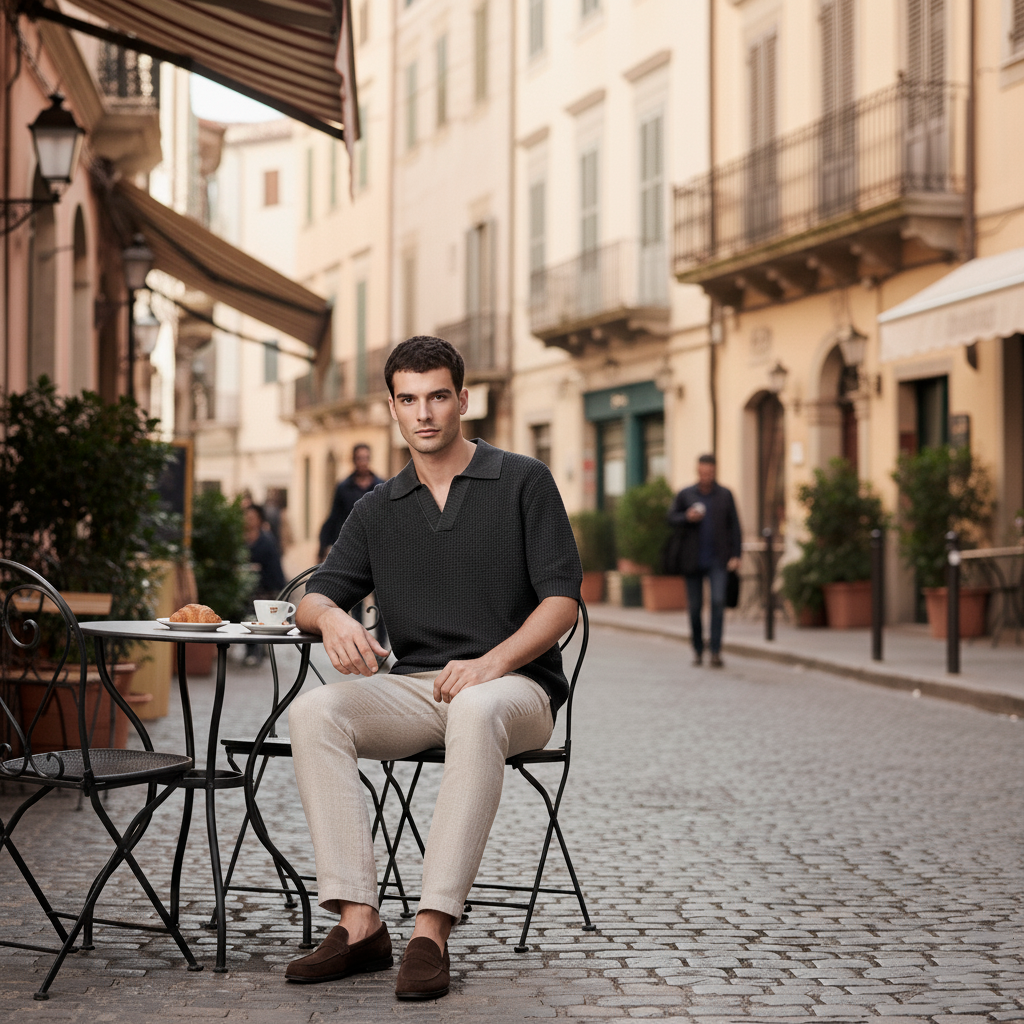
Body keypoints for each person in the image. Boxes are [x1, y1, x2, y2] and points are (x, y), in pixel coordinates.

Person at [286, 336, 581, 1001]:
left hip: (516, 690)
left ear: (462, 400)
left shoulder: (522, 481)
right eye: (410, 400)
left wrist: (493, 662)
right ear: (392, 407)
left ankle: (430, 930)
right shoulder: (376, 508)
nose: (425, 413)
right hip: (418, 689)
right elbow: (316, 596)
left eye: (438, 396)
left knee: (476, 707)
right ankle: (359, 924)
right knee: (313, 711)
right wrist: (332, 618)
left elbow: (563, 598)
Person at [667, 454, 742, 668]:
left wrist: (736, 554)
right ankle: (698, 649)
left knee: (718, 602)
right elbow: (671, 517)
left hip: (719, 560)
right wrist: (686, 517)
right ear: (697, 471)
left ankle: (716, 650)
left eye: (710, 472)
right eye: (703, 472)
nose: (706, 476)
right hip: (692, 561)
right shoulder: (686, 494)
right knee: (695, 608)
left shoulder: (725, 495)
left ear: (715, 471)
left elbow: (735, 526)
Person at [318, 445, 384, 561]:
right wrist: (323, 547)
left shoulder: (381, 486)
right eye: (359, 458)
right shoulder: (343, 487)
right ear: (354, 460)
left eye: (366, 458)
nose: (363, 462)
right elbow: (334, 517)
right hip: (350, 547)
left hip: (375, 547)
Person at [243, 503, 287, 667]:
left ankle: (254, 651)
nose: (248, 520)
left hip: (267, 588)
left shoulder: (266, 539)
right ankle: (254, 649)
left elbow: (274, 571)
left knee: (252, 613)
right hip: (248, 587)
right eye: (246, 517)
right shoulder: (240, 539)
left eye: (252, 517)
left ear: (260, 520)